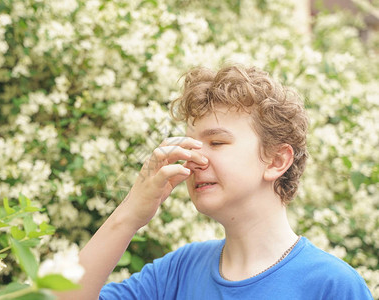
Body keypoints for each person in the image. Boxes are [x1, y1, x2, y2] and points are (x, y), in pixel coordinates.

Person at [58, 64, 373, 299]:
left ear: (277, 160)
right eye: (191, 144)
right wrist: (130, 214)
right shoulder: (177, 272)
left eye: (217, 143)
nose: (195, 158)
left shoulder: (331, 285)